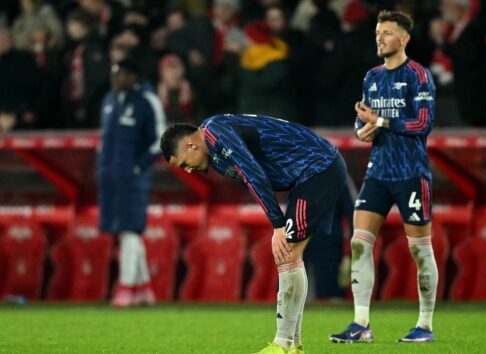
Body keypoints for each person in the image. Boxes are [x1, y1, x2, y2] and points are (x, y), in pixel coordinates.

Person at [159, 115, 347, 354]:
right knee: (289, 255)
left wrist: (277, 225)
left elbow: (253, 174)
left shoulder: (216, 134)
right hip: (311, 173)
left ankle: (284, 344)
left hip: (318, 168)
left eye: (184, 163)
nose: (188, 171)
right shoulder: (215, 148)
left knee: (287, 252)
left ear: (190, 145)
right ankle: (292, 345)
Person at [330, 10, 437, 343]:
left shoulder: (419, 75)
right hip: (378, 173)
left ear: (404, 38)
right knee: (359, 243)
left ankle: (425, 325)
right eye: (378, 32)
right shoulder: (372, 77)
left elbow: (423, 124)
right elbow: (364, 119)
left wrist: (381, 123)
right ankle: (361, 324)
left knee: (420, 250)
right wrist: (362, 129)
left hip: (410, 173)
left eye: (387, 33)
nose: (380, 38)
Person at [98, 58, 166, 307]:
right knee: (122, 231)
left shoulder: (147, 101)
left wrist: (139, 167)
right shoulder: (108, 101)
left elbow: (161, 138)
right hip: (110, 178)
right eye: (113, 73)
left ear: (134, 76)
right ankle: (143, 290)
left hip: (133, 178)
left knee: (130, 229)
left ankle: (126, 288)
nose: (115, 78)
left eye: (120, 74)